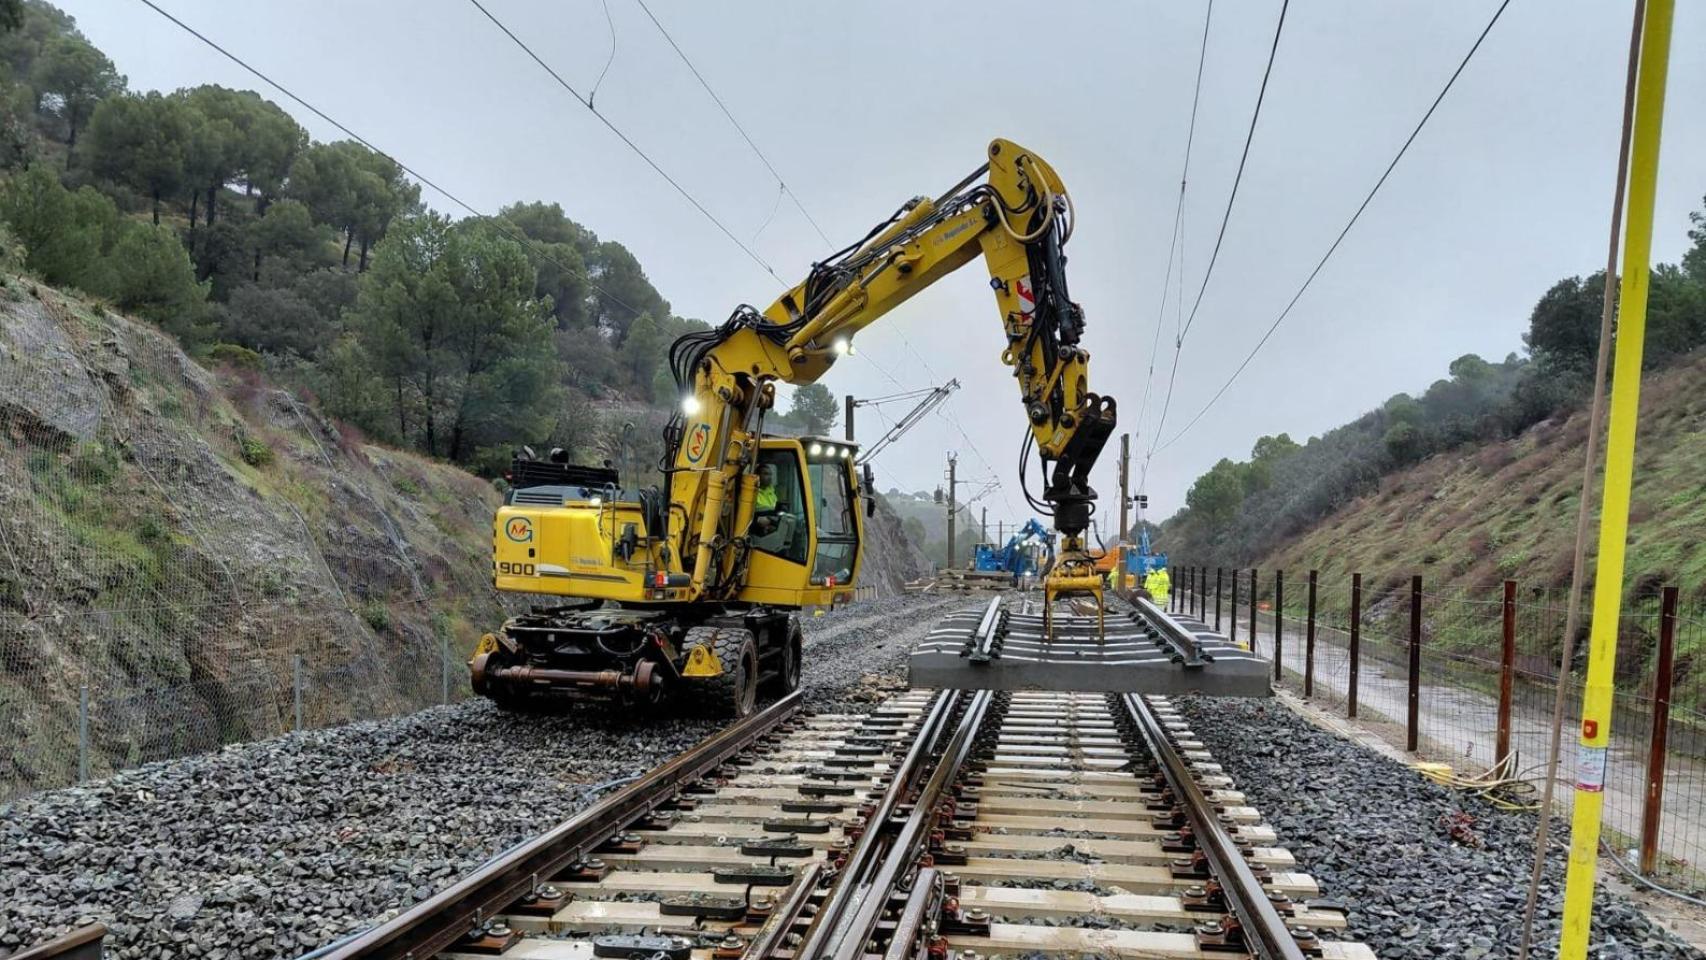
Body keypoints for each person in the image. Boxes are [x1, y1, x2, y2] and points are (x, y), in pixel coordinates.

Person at [754, 462, 780, 534]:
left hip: (770, 529)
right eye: (765, 474)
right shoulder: (752, 493)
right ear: (757, 476)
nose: (769, 477)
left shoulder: (772, 492)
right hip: (756, 532)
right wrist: (756, 520)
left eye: (770, 474)